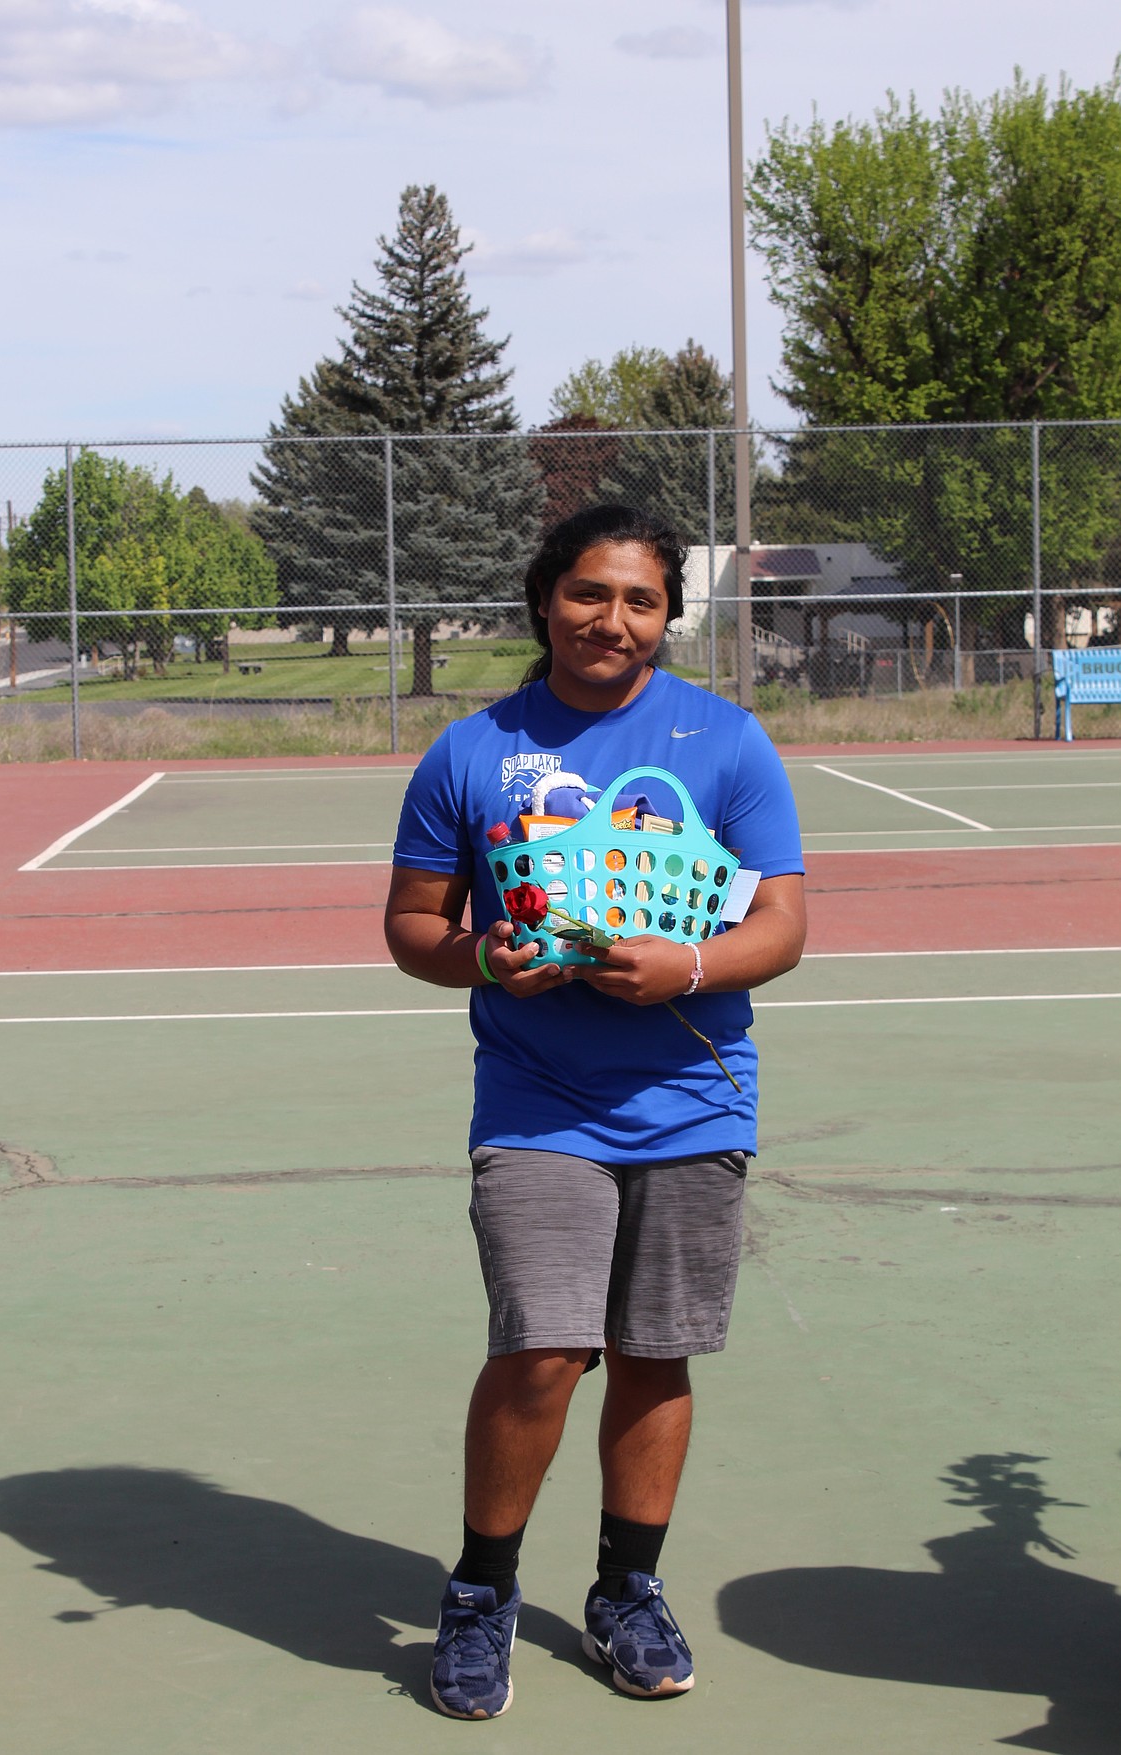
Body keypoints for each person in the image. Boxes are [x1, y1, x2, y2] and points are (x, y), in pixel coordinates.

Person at [384, 503, 805, 1719]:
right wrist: (483, 961)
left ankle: (628, 1588)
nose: (610, 619)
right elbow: (414, 929)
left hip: (693, 1098)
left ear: (669, 618)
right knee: (542, 1351)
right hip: (538, 1104)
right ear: (544, 601)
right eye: (587, 593)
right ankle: (481, 1595)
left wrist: (688, 968)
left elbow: (780, 924)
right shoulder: (471, 753)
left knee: (656, 1353)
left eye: (639, 600)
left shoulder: (727, 745)